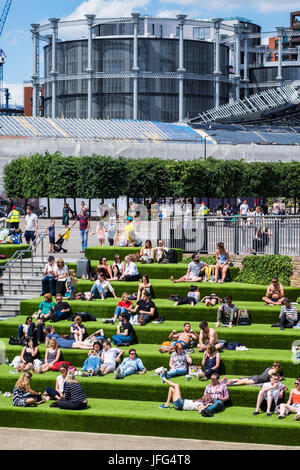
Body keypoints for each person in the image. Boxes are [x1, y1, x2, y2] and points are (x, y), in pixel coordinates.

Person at [159, 372, 229, 417]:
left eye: (213, 379)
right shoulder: (208, 387)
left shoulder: (223, 386)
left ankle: (164, 379)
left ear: (217, 380)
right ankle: (167, 404)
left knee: (176, 385)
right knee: (172, 387)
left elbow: (227, 397)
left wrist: (221, 399)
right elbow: (204, 397)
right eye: (211, 379)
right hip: (180, 403)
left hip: (181, 403)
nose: (211, 380)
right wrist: (205, 399)